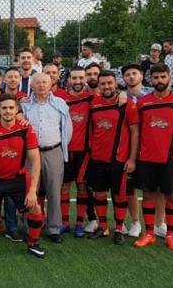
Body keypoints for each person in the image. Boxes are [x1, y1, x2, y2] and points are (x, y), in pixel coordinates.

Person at [0, 94, 45, 258]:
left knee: (35, 207)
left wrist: (33, 189)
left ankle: (33, 243)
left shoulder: (26, 129)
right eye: (4, 108)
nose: (8, 111)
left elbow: (35, 160)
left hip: (17, 179)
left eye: (11, 107)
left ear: (17, 109)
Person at [134, 63, 173, 251]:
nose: (159, 81)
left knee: (172, 197)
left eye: (163, 77)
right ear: (150, 79)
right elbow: (138, 130)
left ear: (169, 79)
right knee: (148, 195)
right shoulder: (143, 103)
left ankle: (169, 234)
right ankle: (149, 233)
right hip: (147, 158)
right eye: (156, 77)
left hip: (169, 159)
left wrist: (172, 146)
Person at [86, 71, 139, 245]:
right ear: (98, 86)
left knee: (120, 195)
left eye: (110, 83)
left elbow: (135, 132)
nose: (106, 86)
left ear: (116, 83)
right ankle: (103, 226)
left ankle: (118, 228)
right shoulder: (93, 103)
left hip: (119, 159)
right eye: (103, 84)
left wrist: (132, 159)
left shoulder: (126, 104)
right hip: (97, 158)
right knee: (99, 193)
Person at [22, 73, 72, 243]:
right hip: (31, 154)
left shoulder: (60, 104)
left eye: (44, 82)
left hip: (53, 151)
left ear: (51, 84)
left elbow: (67, 130)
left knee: (53, 191)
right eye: (38, 83)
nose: (41, 85)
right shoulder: (25, 105)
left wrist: (62, 150)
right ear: (32, 86)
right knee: (31, 191)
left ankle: (54, 228)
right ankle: (30, 225)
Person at [53, 66, 95, 238]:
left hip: (84, 152)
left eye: (81, 78)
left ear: (85, 79)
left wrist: (121, 94)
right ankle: (64, 222)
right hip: (64, 150)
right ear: (68, 79)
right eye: (74, 78)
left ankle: (79, 223)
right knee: (64, 186)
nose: (78, 81)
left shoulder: (92, 98)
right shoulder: (59, 98)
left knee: (82, 186)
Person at [120, 63, 153, 238]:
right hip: (129, 148)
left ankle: (160, 223)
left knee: (156, 188)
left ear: (141, 75)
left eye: (134, 73)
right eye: (127, 74)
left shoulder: (151, 95)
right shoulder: (120, 96)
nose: (131, 77)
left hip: (151, 148)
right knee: (129, 187)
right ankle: (135, 221)